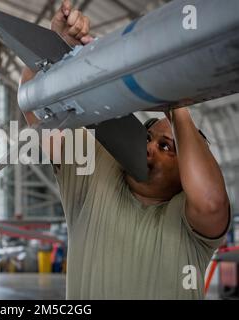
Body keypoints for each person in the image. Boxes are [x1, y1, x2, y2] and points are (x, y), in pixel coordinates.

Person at [20, 0, 230, 299]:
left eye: (166, 147)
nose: (149, 147)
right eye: (148, 137)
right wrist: (55, 53)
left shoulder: (189, 226)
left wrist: (177, 108)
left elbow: (210, 201)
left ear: (187, 175)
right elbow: (38, 111)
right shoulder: (93, 178)